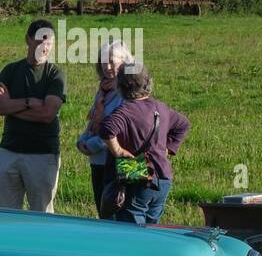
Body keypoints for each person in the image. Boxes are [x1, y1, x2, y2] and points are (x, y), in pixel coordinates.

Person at [0, 20, 66, 213]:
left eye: (49, 43)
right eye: (41, 41)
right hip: (9, 150)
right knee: (5, 214)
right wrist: (30, 102)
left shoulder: (55, 74)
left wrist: (11, 106)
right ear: (28, 40)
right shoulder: (10, 71)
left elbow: (48, 114)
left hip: (42, 154)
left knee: (42, 215)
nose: (45, 47)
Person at [100, 67, 190, 225]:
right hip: (163, 176)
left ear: (120, 86)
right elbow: (183, 124)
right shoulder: (161, 107)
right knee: (152, 229)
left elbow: (106, 128)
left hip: (138, 172)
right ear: (148, 83)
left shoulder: (126, 110)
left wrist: (118, 151)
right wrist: (168, 149)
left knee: (133, 231)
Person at [75, 41, 131, 219]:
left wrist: (91, 145)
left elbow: (117, 130)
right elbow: (94, 121)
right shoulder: (103, 90)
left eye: (112, 62)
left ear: (124, 62)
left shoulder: (127, 93)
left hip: (116, 163)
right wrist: (82, 140)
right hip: (97, 161)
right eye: (103, 61)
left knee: (116, 214)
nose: (107, 67)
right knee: (103, 213)